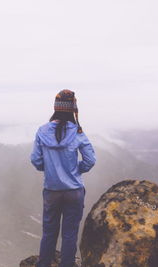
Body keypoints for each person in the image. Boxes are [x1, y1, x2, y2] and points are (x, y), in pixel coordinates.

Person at [30, 89, 96, 267]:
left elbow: (35, 160)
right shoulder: (77, 132)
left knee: (49, 233)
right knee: (69, 234)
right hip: (74, 191)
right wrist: (75, 170)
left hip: (51, 191)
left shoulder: (42, 131)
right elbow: (90, 160)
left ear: (56, 108)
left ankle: (44, 264)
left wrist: (50, 170)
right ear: (73, 109)